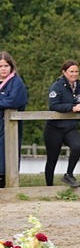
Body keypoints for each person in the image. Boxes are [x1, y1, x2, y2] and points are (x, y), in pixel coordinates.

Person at [45, 60, 80, 188]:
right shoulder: (56, 86)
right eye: (71, 72)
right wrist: (71, 107)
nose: (74, 74)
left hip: (70, 127)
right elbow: (54, 105)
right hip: (54, 128)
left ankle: (69, 174)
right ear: (64, 72)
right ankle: (49, 187)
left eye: (76, 71)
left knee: (77, 147)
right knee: (52, 158)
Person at [0, 52, 29, 188]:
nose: (3, 69)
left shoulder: (16, 82)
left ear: (11, 66)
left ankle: (5, 180)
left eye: (6, 65)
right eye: (0, 66)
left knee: (7, 153)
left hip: (9, 125)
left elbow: (13, 101)